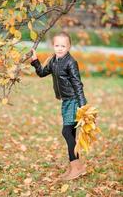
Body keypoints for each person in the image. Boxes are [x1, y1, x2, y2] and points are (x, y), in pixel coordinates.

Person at [30, 32, 87, 180]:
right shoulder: (54, 61)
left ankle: (76, 166)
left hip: (74, 101)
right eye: (57, 45)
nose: (60, 48)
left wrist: (82, 106)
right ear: (53, 46)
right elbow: (42, 73)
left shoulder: (71, 62)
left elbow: (77, 84)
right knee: (71, 134)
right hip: (66, 101)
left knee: (66, 132)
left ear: (68, 47)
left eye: (63, 45)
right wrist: (36, 61)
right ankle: (76, 167)